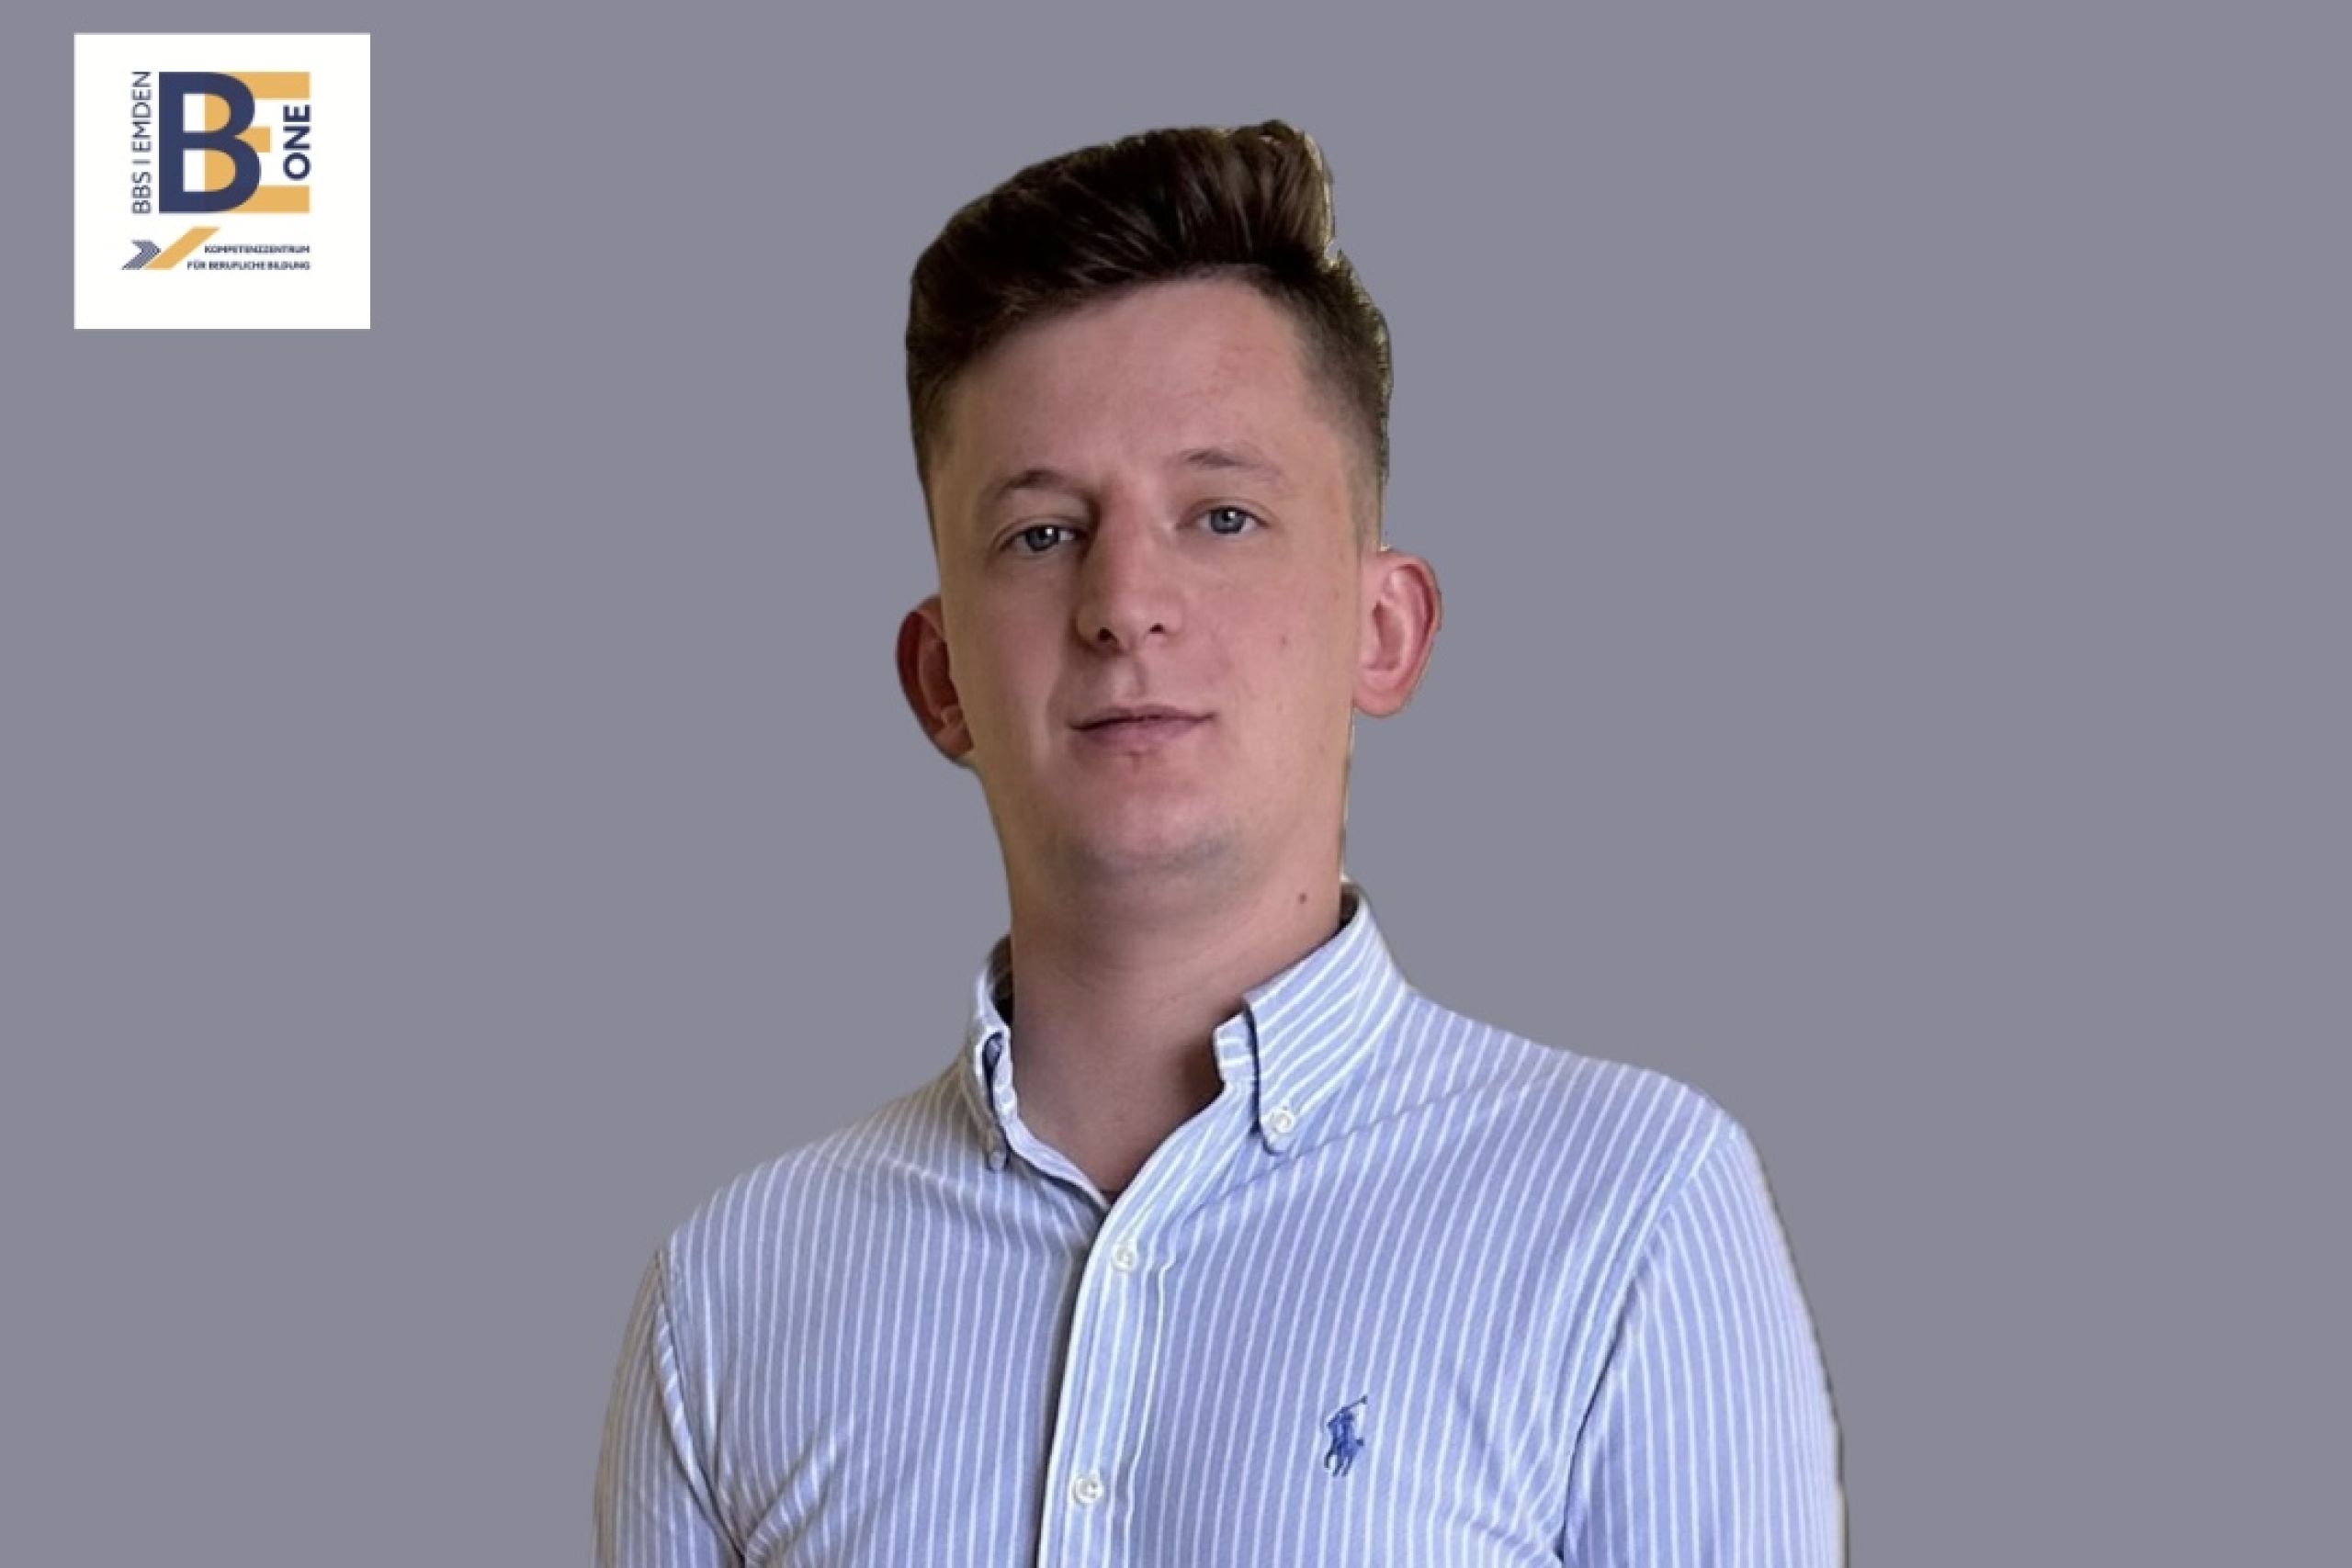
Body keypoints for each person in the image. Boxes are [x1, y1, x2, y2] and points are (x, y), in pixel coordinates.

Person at [594, 118, 1844, 1566]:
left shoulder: (1629, 1215)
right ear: (941, 679)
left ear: (1385, 628)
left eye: (1224, 515)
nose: (1125, 601)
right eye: (1042, 533)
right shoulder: (731, 1299)